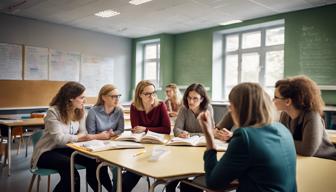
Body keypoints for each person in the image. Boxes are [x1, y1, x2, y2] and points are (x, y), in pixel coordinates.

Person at [198, 82, 297, 192]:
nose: (229, 108)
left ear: (240, 108)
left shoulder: (245, 137)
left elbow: (214, 182)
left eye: (231, 104)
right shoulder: (283, 130)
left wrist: (208, 133)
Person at [31, 81, 112, 192]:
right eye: (82, 97)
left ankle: (110, 189)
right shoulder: (53, 112)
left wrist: (80, 137)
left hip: (67, 148)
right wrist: (80, 137)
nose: (85, 100)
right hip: (46, 152)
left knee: (96, 161)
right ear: (70, 98)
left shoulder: (81, 111)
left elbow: (83, 133)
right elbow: (59, 140)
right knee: (71, 171)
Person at [121, 80, 171, 192]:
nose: (151, 96)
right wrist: (144, 130)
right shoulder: (134, 107)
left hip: (160, 146)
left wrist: (145, 129)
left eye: (153, 92)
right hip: (142, 147)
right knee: (130, 175)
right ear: (140, 94)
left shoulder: (161, 105)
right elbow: (135, 129)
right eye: (147, 93)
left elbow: (167, 129)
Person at [274, 75, 336, 160]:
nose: (272, 100)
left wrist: (281, 141)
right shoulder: (284, 115)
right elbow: (279, 138)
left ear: (288, 101)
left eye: (275, 97)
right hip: (304, 159)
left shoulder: (312, 116)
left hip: (326, 160)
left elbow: (307, 150)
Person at [167, 83, 214, 192]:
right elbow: (176, 129)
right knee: (171, 182)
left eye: (195, 98)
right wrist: (181, 132)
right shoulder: (184, 109)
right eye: (189, 97)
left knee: (188, 184)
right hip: (184, 149)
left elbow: (210, 133)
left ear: (202, 99)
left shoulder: (208, 109)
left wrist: (189, 134)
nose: (191, 101)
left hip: (201, 150)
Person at [86, 84, 124, 192]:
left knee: (117, 168)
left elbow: (120, 130)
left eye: (118, 96)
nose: (117, 99)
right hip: (96, 145)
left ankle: (114, 189)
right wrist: (102, 136)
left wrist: (111, 134)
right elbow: (91, 133)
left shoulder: (119, 111)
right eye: (113, 96)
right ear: (103, 97)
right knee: (97, 170)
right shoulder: (93, 111)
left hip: (113, 145)